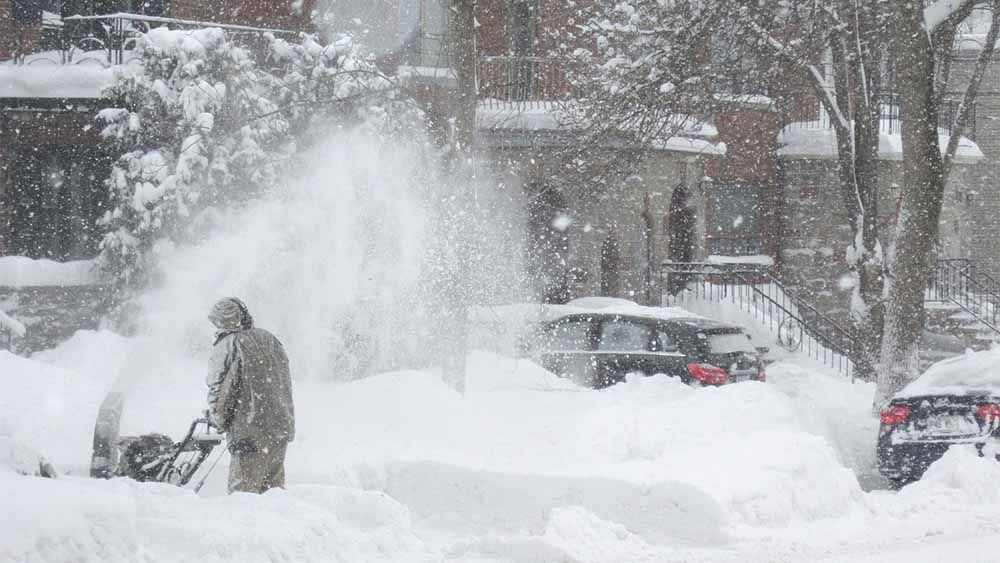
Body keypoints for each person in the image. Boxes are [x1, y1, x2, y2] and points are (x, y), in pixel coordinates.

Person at [206, 297, 294, 494]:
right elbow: (283, 382)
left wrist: (218, 418)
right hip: (280, 428)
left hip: (248, 432)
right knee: (273, 493)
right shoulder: (270, 339)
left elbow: (218, 389)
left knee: (243, 498)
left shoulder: (228, 345)